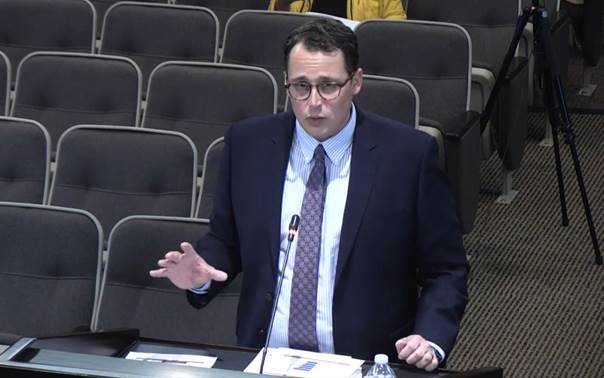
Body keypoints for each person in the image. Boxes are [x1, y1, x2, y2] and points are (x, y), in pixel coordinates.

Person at [150, 18, 468, 372]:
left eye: (328, 86)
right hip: (267, 360)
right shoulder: (247, 145)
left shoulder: (408, 156)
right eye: (301, 86)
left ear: (356, 82)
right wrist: (201, 275)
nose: (313, 102)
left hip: (365, 363)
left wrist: (431, 337)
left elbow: (446, 270)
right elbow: (226, 242)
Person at [268, 0, 406, 21]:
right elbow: (274, 25)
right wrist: (283, 4)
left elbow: (394, 30)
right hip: (305, 56)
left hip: (356, 58)